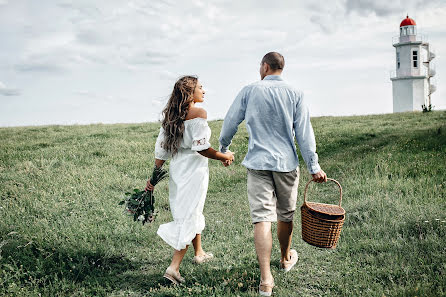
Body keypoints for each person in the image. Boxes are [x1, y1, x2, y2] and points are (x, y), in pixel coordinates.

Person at [219, 52, 327, 296]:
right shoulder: (296, 93)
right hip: (286, 164)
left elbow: (230, 121)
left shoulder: (249, 90)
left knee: (261, 218)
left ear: (265, 67)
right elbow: (304, 133)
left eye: (260, 66)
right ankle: (285, 258)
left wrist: (223, 148)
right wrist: (314, 166)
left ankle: (266, 280)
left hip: (257, 163)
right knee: (285, 215)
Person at [146, 75, 235, 285]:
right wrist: (224, 156)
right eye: (201, 88)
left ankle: (199, 252)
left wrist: (153, 178)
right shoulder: (198, 113)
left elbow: (161, 150)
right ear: (190, 93)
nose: (204, 91)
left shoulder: (171, 116)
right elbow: (202, 147)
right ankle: (173, 269)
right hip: (194, 170)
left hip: (179, 169)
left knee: (190, 209)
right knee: (189, 214)